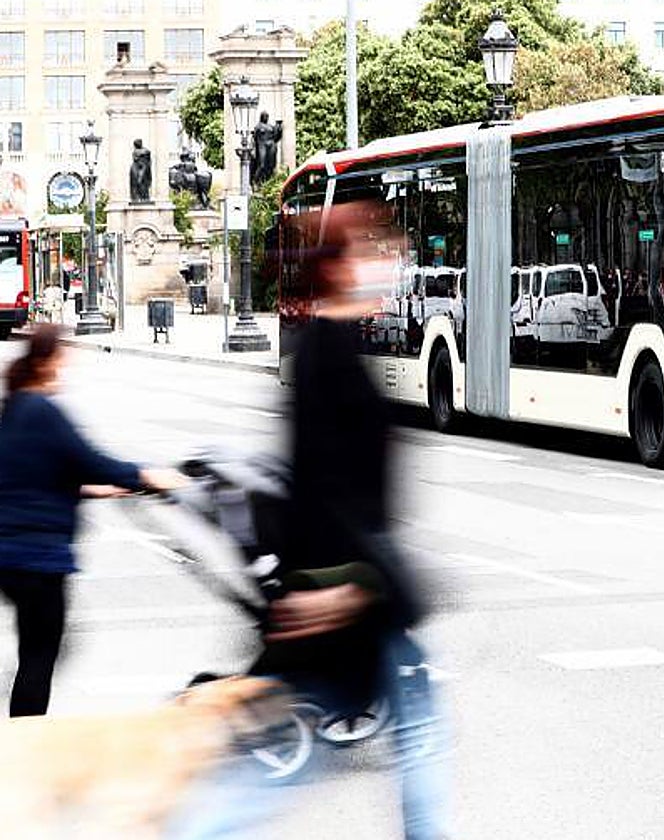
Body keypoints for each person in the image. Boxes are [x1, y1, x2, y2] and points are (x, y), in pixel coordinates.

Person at [272, 203, 447, 839]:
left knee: (417, 741)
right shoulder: (325, 354)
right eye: (377, 249)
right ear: (343, 267)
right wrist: (342, 586)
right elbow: (316, 484)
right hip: (352, 593)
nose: (392, 261)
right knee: (271, 772)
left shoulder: (334, 346)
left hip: (360, 591)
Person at [0, 325, 181, 717]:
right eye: (63, 358)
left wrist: (91, 490)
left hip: (13, 557)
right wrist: (146, 476)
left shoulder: (15, 408)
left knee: (38, 650)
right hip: (37, 557)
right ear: (48, 361)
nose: (66, 367)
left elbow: (31, 472)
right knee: (40, 656)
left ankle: (23, 733)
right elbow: (90, 459)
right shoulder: (42, 410)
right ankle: (25, 741)